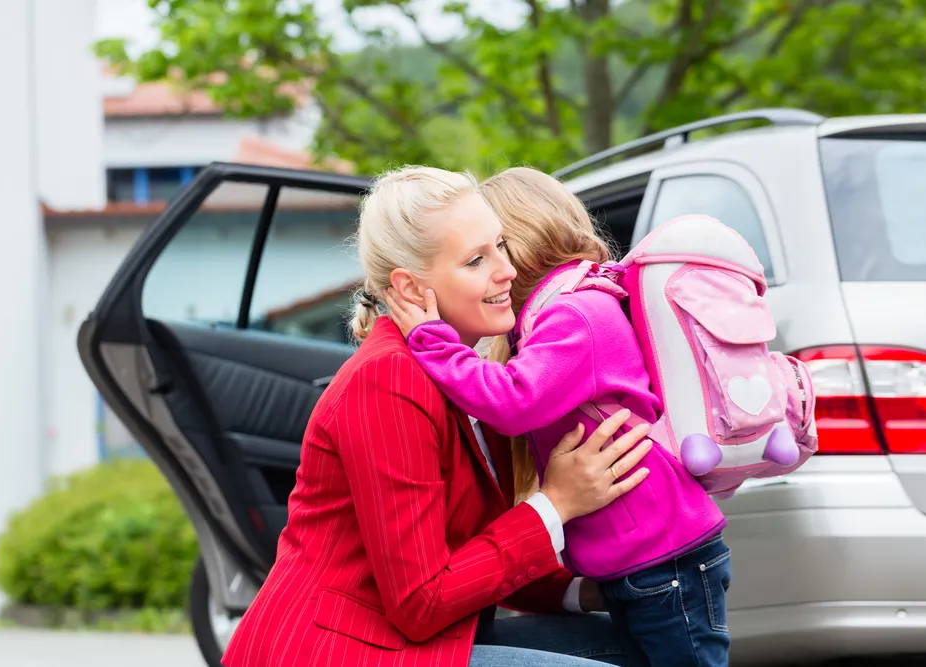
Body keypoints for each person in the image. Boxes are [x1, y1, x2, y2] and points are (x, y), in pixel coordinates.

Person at [220, 166, 654, 667]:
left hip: (415, 641)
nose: (506, 271)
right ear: (409, 288)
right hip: (339, 652)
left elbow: (472, 556)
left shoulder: (473, 375)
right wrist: (555, 505)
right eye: (475, 260)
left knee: (642, 641)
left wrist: (583, 592)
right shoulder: (388, 382)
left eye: (501, 246)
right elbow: (421, 601)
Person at [385, 166, 731, 667]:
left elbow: (512, 402)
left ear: (517, 244)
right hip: (649, 559)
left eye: (492, 250)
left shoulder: (576, 314)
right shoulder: (568, 308)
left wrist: (432, 341)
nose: (493, 268)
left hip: (665, 560)